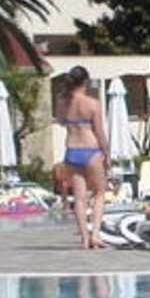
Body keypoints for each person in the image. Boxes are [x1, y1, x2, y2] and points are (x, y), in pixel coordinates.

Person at [56, 66, 110, 248]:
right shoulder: (92, 103)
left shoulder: (62, 101)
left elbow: (61, 121)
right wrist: (107, 153)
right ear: (85, 81)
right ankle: (95, 234)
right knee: (100, 192)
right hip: (91, 150)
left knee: (79, 198)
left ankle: (84, 238)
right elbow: (99, 132)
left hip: (72, 150)